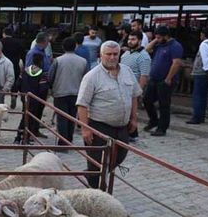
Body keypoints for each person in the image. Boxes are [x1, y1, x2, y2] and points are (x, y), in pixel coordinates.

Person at [76, 41, 142, 189]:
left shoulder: (127, 71)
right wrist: (85, 128)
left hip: (122, 126)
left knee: (120, 155)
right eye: (108, 54)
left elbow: (134, 95)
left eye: (115, 54)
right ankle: (97, 193)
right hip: (99, 126)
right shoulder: (92, 76)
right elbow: (82, 104)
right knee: (96, 162)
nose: (112, 57)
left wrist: (134, 118)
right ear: (101, 55)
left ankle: (101, 174)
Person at [143, 26, 183, 136]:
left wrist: (168, 78)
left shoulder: (175, 46)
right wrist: (156, 40)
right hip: (154, 78)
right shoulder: (160, 44)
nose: (157, 39)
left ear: (166, 36)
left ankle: (162, 128)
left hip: (165, 80)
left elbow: (176, 63)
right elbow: (146, 50)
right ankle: (153, 120)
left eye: (159, 37)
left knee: (163, 104)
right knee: (147, 100)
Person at [48, 37, 88, 147]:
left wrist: (51, 88)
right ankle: (69, 139)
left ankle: (62, 142)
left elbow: (51, 76)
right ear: (75, 46)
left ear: (62, 47)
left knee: (62, 118)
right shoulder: (83, 61)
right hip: (77, 93)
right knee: (72, 117)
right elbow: (86, 78)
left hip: (60, 92)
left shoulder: (58, 60)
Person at [120, 31, 151, 141]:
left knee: (131, 112)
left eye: (133, 39)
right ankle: (130, 133)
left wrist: (139, 92)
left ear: (139, 41)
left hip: (133, 90)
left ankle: (132, 134)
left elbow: (144, 76)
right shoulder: (126, 54)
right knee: (125, 111)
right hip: (122, 87)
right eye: (129, 39)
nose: (130, 41)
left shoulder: (144, 56)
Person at [13, 53, 49, 144]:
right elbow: (43, 89)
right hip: (35, 99)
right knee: (31, 119)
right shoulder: (41, 74)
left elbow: (18, 84)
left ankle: (18, 137)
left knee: (24, 116)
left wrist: (18, 93)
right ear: (41, 62)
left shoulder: (24, 71)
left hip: (24, 97)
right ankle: (26, 138)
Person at [186, 27, 208, 125]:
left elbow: (204, 58)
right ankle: (200, 116)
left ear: (203, 34)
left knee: (198, 95)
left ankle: (196, 116)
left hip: (201, 72)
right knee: (203, 95)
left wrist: (207, 70)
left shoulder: (204, 44)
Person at [1, 27, 24, 109]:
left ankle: (1, 100)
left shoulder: (0, 42)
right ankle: (13, 95)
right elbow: (23, 55)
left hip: (2, 66)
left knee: (2, 83)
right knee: (14, 82)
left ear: (4, 33)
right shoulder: (18, 43)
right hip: (15, 65)